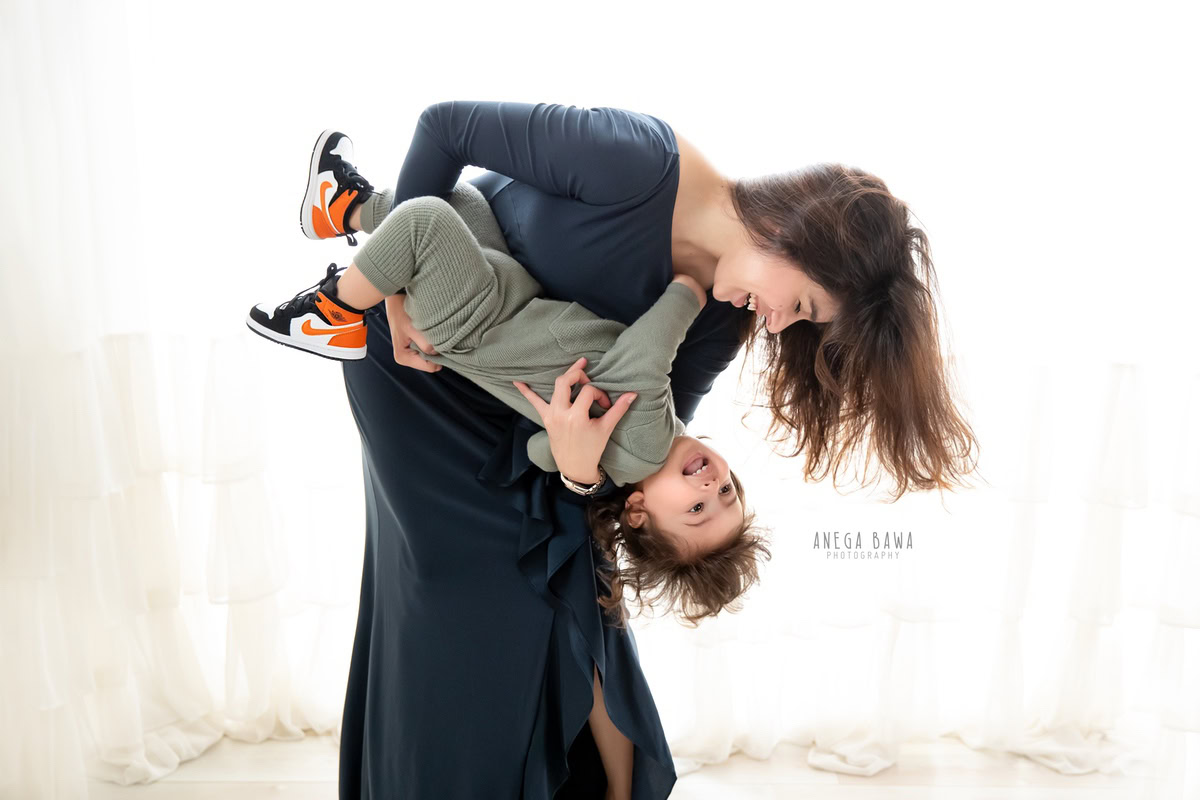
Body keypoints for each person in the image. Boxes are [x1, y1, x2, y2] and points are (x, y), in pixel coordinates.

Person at [295, 102, 977, 799]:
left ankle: (587, 785)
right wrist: (402, 291)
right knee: (456, 588)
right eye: (797, 305)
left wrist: (582, 473)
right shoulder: (638, 165)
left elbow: (642, 437)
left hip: (524, 412)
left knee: (562, 575)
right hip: (424, 355)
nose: (775, 325)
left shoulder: (724, 314)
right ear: (797, 237)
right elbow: (446, 128)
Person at [246, 175, 773, 623]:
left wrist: (687, 291)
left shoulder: (650, 440)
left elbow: (646, 353)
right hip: (504, 301)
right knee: (461, 200)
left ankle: (330, 313)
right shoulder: (626, 455)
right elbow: (541, 450)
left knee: (426, 221)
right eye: (728, 492)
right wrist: (577, 469)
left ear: (637, 513)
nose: (711, 484)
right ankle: (343, 207)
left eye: (698, 509)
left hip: (476, 317)